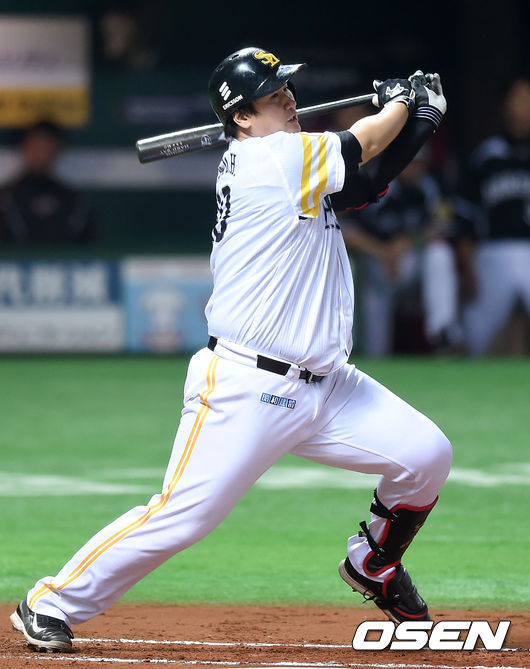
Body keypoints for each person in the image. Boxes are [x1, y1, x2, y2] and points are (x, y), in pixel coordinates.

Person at [10, 47, 452, 652]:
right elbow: (366, 143)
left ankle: (373, 562)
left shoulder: (288, 161)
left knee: (426, 454)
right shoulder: (272, 159)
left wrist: (422, 118)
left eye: (288, 89)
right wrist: (404, 101)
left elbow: (365, 185)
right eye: (274, 95)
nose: (289, 99)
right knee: (183, 516)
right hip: (249, 385)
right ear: (242, 117)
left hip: (328, 383)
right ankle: (51, 601)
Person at [340, 146, 460, 355]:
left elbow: (444, 226)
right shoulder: (376, 184)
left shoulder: (431, 186)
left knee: (440, 254)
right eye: (410, 162)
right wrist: (382, 252)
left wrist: (408, 240)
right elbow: (346, 228)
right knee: (376, 349)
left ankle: (442, 334)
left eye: (420, 163)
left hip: (411, 262)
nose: (415, 169)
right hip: (376, 267)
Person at [454, 75, 530, 356]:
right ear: (505, 105)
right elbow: (466, 212)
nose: (525, 106)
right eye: (519, 99)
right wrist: (467, 263)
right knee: (477, 337)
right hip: (494, 252)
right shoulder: (486, 155)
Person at [0, 121, 96, 246]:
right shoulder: (6, 197)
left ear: (58, 149)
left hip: (64, 257)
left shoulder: (74, 199)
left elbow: (89, 243)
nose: (41, 152)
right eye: (35, 145)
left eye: (47, 145)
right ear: (24, 146)